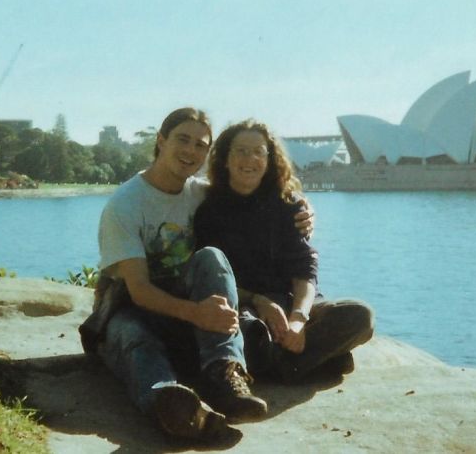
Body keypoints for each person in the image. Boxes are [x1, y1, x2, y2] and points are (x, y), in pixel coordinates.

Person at [78, 108, 312, 443]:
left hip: (188, 312)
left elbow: (260, 193)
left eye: (200, 145)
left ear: (207, 153)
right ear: (161, 141)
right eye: (182, 140)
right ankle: (170, 404)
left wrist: (303, 209)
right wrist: (197, 313)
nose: (191, 151)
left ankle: (225, 375)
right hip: (132, 307)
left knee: (212, 258)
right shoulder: (125, 205)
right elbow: (140, 291)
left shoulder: (201, 193)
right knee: (134, 338)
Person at [194, 119, 374, 384]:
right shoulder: (209, 212)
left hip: (292, 301)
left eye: (258, 152)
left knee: (360, 316)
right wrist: (259, 301)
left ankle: (280, 363)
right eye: (241, 151)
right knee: (247, 331)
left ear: (269, 160)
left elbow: (305, 268)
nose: (250, 159)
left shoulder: (288, 205)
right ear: (225, 159)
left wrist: (298, 320)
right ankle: (310, 361)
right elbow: (213, 280)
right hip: (247, 306)